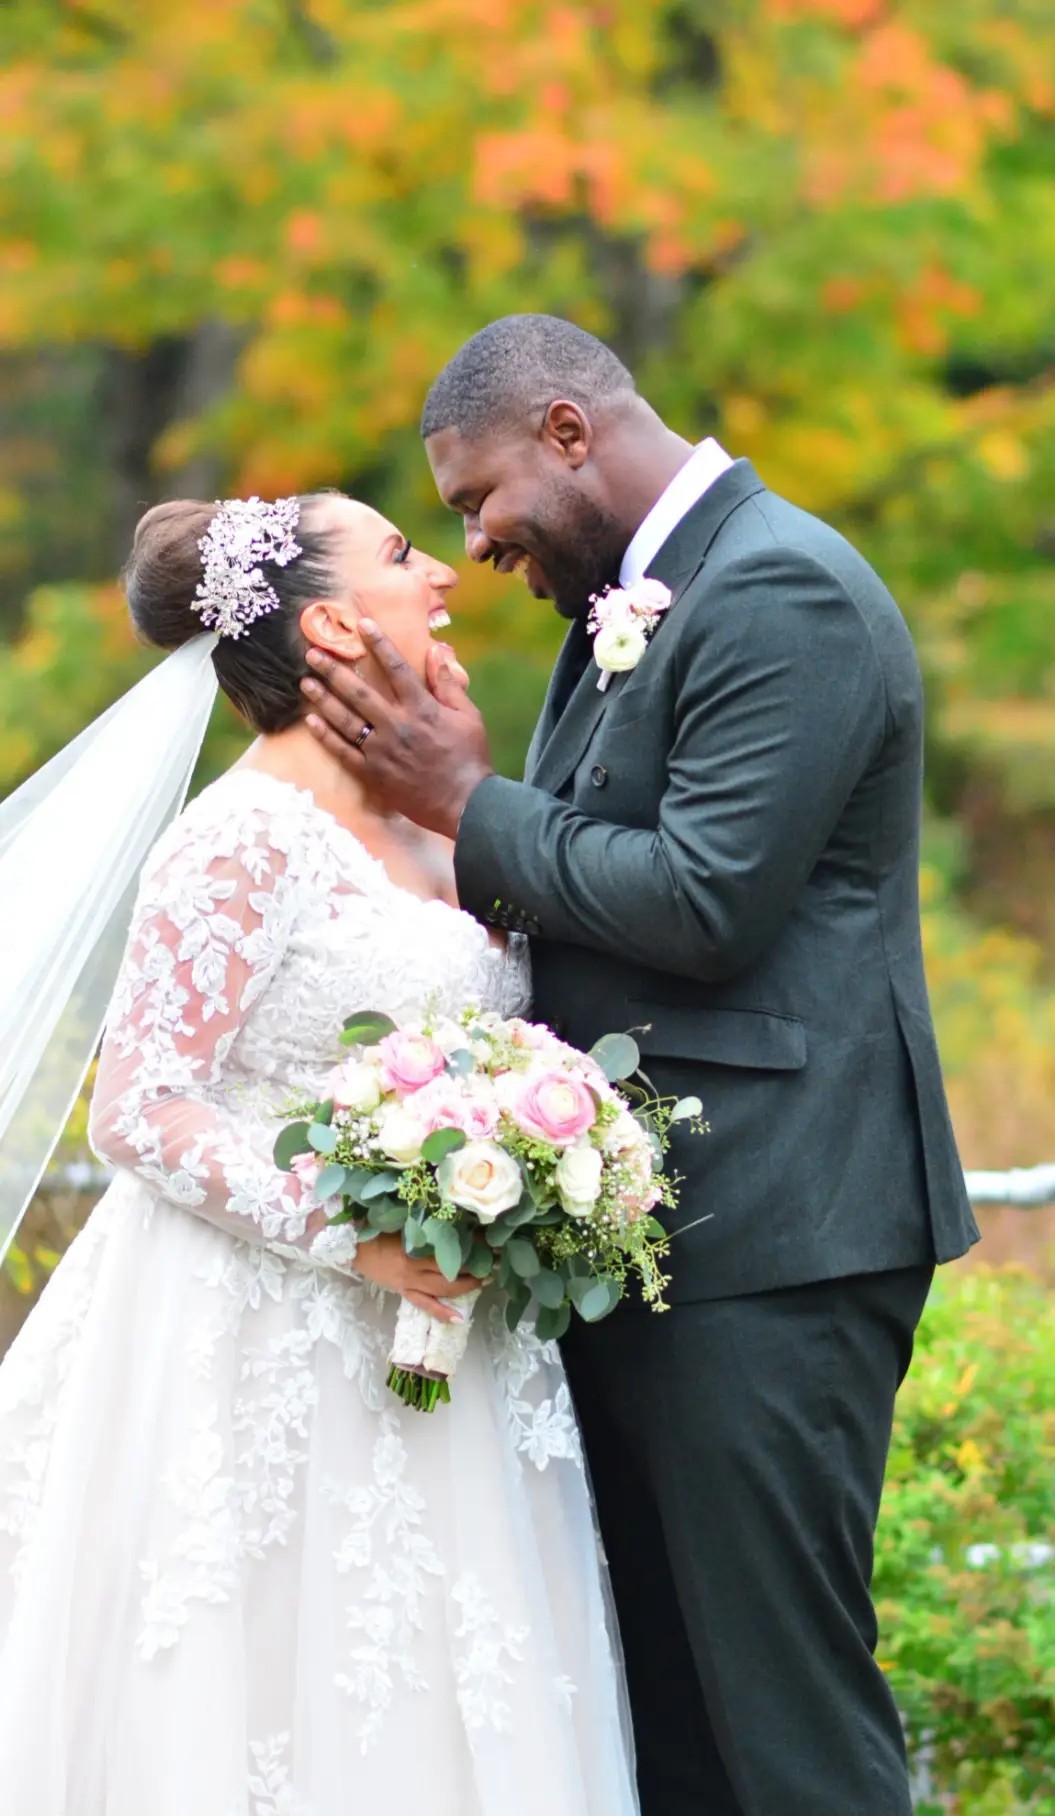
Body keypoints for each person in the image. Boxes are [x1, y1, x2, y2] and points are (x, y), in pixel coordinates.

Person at [299, 313, 981, 1816]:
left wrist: (467, 800)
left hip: (782, 1239)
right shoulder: (632, 601)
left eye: (479, 500)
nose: (475, 540)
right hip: (668, 1236)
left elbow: (704, 900)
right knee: (663, 1711)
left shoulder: (783, 589)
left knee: (785, 1717)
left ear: (566, 432)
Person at [0, 492, 640, 1816]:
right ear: (338, 622)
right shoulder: (242, 834)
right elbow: (141, 1105)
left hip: (445, 1347)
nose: (444, 574)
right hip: (254, 1339)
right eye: (404, 556)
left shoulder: (430, 821)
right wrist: (363, 1235)